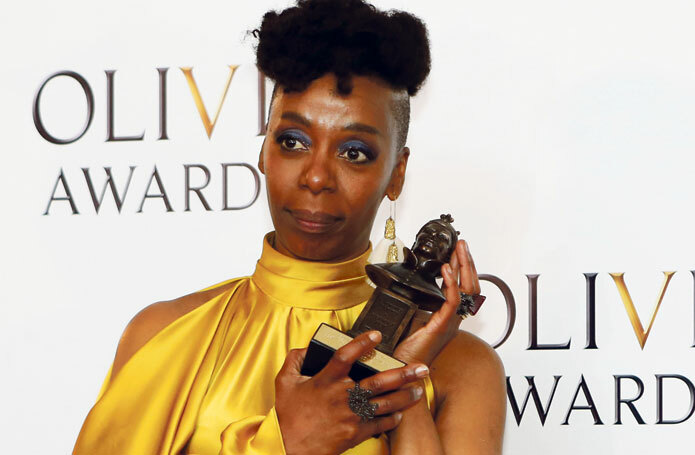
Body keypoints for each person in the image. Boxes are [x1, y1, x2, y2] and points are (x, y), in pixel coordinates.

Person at [73, 0, 506, 453]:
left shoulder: (460, 367)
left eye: (354, 151)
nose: (316, 176)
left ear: (396, 174)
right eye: (293, 141)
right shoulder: (164, 335)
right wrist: (287, 443)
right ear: (264, 152)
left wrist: (401, 378)